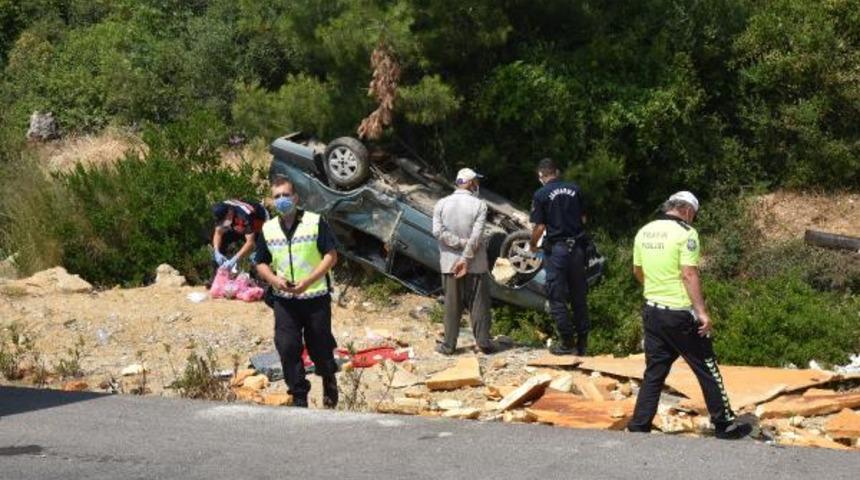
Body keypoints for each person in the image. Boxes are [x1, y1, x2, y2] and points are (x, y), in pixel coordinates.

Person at [627, 191, 751, 439]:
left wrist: (656, 289)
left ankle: (640, 424)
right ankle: (724, 424)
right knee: (706, 367)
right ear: (686, 210)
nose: (693, 219)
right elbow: (689, 274)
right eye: (693, 214)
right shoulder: (686, 234)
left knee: (655, 370)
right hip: (680, 313)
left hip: (652, 310)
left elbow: (637, 271)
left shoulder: (645, 231)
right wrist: (702, 312)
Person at [254, 175, 339, 408]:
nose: (282, 200)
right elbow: (260, 262)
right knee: (287, 345)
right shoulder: (268, 229)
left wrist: (309, 281)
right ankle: (299, 395)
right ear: (272, 201)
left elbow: (331, 256)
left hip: (315, 297)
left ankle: (328, 379)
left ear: (296, 197)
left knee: (320, 346)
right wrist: (273, 279)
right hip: (285, 299)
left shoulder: (315, 222)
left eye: (286, 195)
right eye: (277, 196)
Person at [528, 158, 590, 356]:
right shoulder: (575, 189)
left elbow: (539, 226)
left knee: (557, 296)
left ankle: (566, 343)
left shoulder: (541, 194)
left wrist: (532, 244)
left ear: (541, 175)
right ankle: (582, 345)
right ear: (557, 171)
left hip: (557, 251)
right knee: (579, 296)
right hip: (578, 249)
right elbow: (584, 219)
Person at [432, 168, 496, 355]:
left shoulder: (441, 204)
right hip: (475, 263)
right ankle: (483, 342)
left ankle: (448, 346)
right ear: (470, 183)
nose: (478, 185)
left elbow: (437, 232)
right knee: (479, 303)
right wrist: (466, 256)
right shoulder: (479, 205)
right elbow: (476, 238)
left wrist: (457, 245)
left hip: (449, 263)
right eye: (476, 181)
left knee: (452, 305)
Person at [211, 198, 269, 273]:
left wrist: (234, 260)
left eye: (224, 221)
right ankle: (217, 274)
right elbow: (218, 233)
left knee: (258, 257)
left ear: (230, 212)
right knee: (220, 243)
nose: (222, 224)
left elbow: (250, 243)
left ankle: (259, 278)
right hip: (238, 223)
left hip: (258, 225)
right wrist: (216, 251)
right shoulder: (222, 208)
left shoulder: (245, 215)